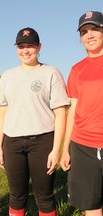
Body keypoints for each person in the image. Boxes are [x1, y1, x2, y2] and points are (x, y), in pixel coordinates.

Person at [0, 27, 70, 216]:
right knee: (16, 194)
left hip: (42, 141)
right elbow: (2, 112)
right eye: (21, 46)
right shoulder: (7, 76)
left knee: (44, 196)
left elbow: (60, 113)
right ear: (16, 48)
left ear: (39, 47)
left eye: (30, 46)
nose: (25, 50)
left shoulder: (50, 73)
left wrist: (56, 149)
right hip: (12, 142)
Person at [60, 11, 103, 216]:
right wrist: (66, 149)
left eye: (95, 29)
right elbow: (73, 110)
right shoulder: (77, 70)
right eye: (84, 31)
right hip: (83, 145)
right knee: (92, 206)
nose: (90, 35)